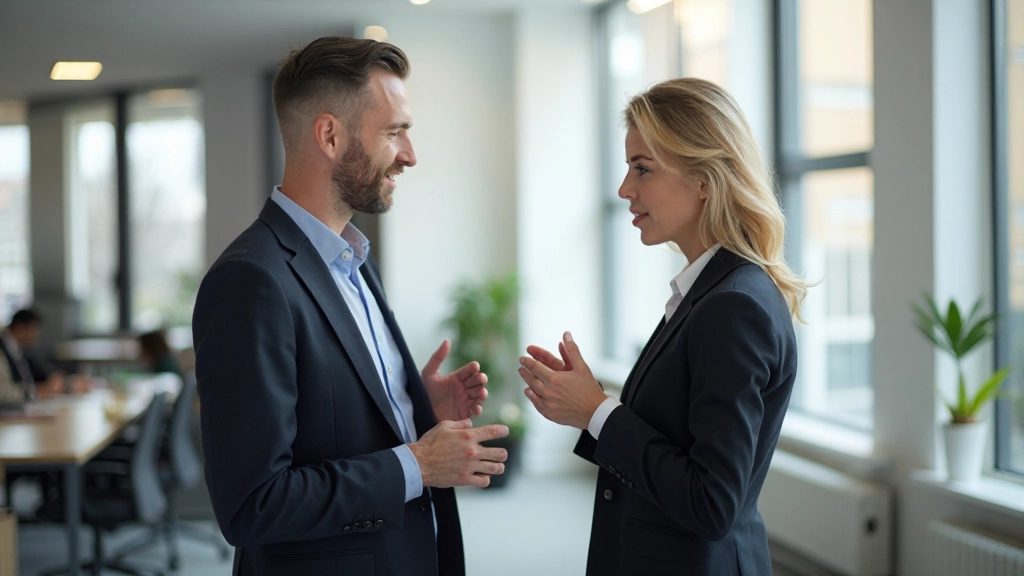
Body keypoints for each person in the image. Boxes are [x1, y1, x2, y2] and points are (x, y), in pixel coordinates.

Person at [193, 36, 508, 576]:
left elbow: (333, 417)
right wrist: (418, 463)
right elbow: (253, 504)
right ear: (330, 135)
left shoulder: (355, 259)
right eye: (394, 132)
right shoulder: (250, 281)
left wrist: (411, 409)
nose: (410, 155)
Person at [518, 78, 804, 576]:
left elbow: (711, 503)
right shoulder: (711, 292)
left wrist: (597, 411)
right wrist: (589, 403)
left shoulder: (732, 306)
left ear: (704, 179)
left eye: (642, 169)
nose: (625, 189)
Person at [0, 309, 63, 399]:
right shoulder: (3, 350)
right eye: (33, 330)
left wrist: (63, 381)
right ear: (20, 328)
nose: (35, 335)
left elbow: (42, 370)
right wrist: (35, 391)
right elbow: (3, 391)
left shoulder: (23, 348)